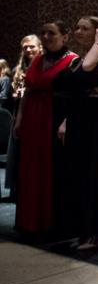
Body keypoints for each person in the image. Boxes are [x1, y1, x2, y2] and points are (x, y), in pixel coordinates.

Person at [53, 17, 98, 248]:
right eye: (76, 27)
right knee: (77, 174)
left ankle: (97, 232)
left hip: (96, 121)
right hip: (78, 120)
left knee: (94, 176)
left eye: (84, 28)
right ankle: (81, 229)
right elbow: (75, 93)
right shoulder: (75, 61)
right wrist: (66, 121)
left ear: (97, 32)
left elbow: (91, 71)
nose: (78, 31)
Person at [15, 22, 76, 234]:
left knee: (52, 168)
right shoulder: (38, 60)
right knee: (30, 167)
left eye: (52, 33)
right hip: (33, 118)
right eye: (44, 33)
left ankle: (51, 222)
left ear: (65, 37)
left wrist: (67, 122)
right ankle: (30, 220)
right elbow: (29, 90)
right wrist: (20, 117)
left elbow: (76, 96)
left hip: (55, 116)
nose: (47, 36)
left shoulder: (72, 60)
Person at [5, 35, 43, 200]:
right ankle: (17, 189)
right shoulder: (18, 69)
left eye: (32, 46)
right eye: (25, 47)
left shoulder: (44, 65)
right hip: (19, 112)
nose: (28, 50)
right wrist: (16, 93)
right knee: (17, 152)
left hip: (38, 113)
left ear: (39, 47)